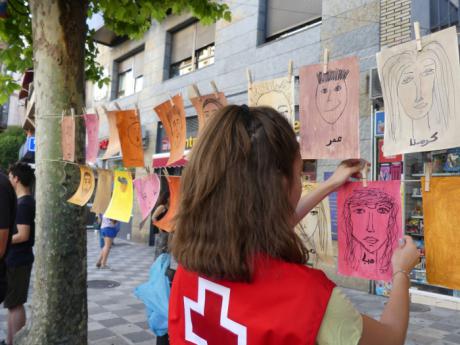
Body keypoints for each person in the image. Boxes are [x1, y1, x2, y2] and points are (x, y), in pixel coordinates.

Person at [169, 105, 420, 345]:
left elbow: (264, 225)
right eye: (299, 173)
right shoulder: (308, 298)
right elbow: (390, 338)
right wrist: (401, 271)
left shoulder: (188, 267)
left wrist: (331, 184)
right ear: (279, 186)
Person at [5, 163, 35, 345]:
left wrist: (4, 240)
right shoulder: (23, 201)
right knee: (11, 304)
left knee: (15, 305)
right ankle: (10, 341)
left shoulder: (24, 204)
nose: (9, 180)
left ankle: (17, 341)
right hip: (15, 259)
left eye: (10, 177)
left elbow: (23, 235)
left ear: (16, 178)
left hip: (18, 260)